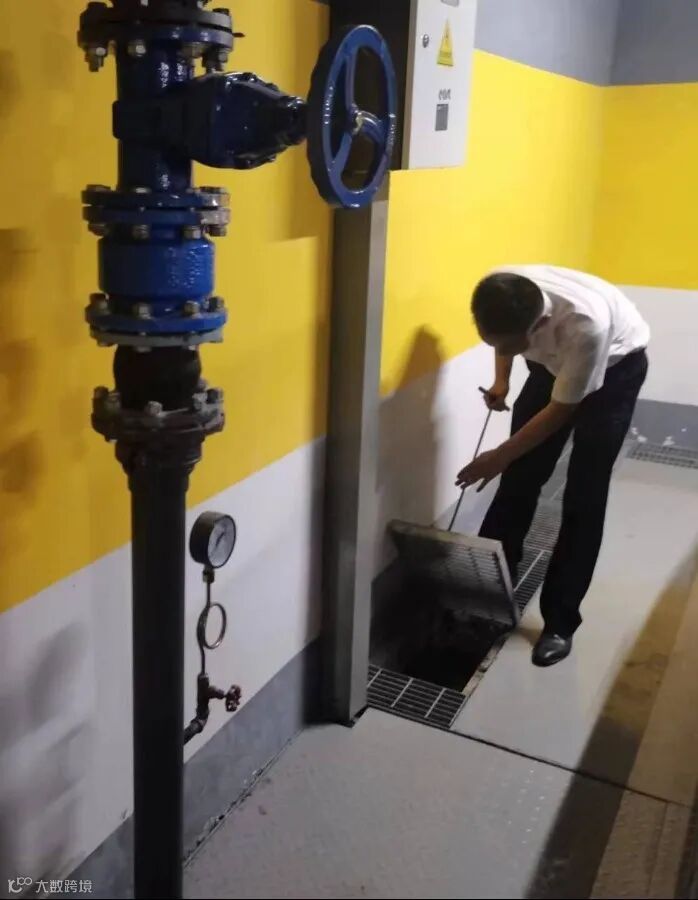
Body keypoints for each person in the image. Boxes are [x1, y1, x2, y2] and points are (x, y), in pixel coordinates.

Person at [456, 265, 650, 667]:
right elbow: (503, 341)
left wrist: (499, 455)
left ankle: (560, 623)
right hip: (550, 367)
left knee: (584, 495)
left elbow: (561, 410)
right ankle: (492, 600)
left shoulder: (586, 327)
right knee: (518, 480)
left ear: (538, 325)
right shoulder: (503, 290)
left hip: (615, 372)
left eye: (511, 345)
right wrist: (501, 382)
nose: (503, 350)